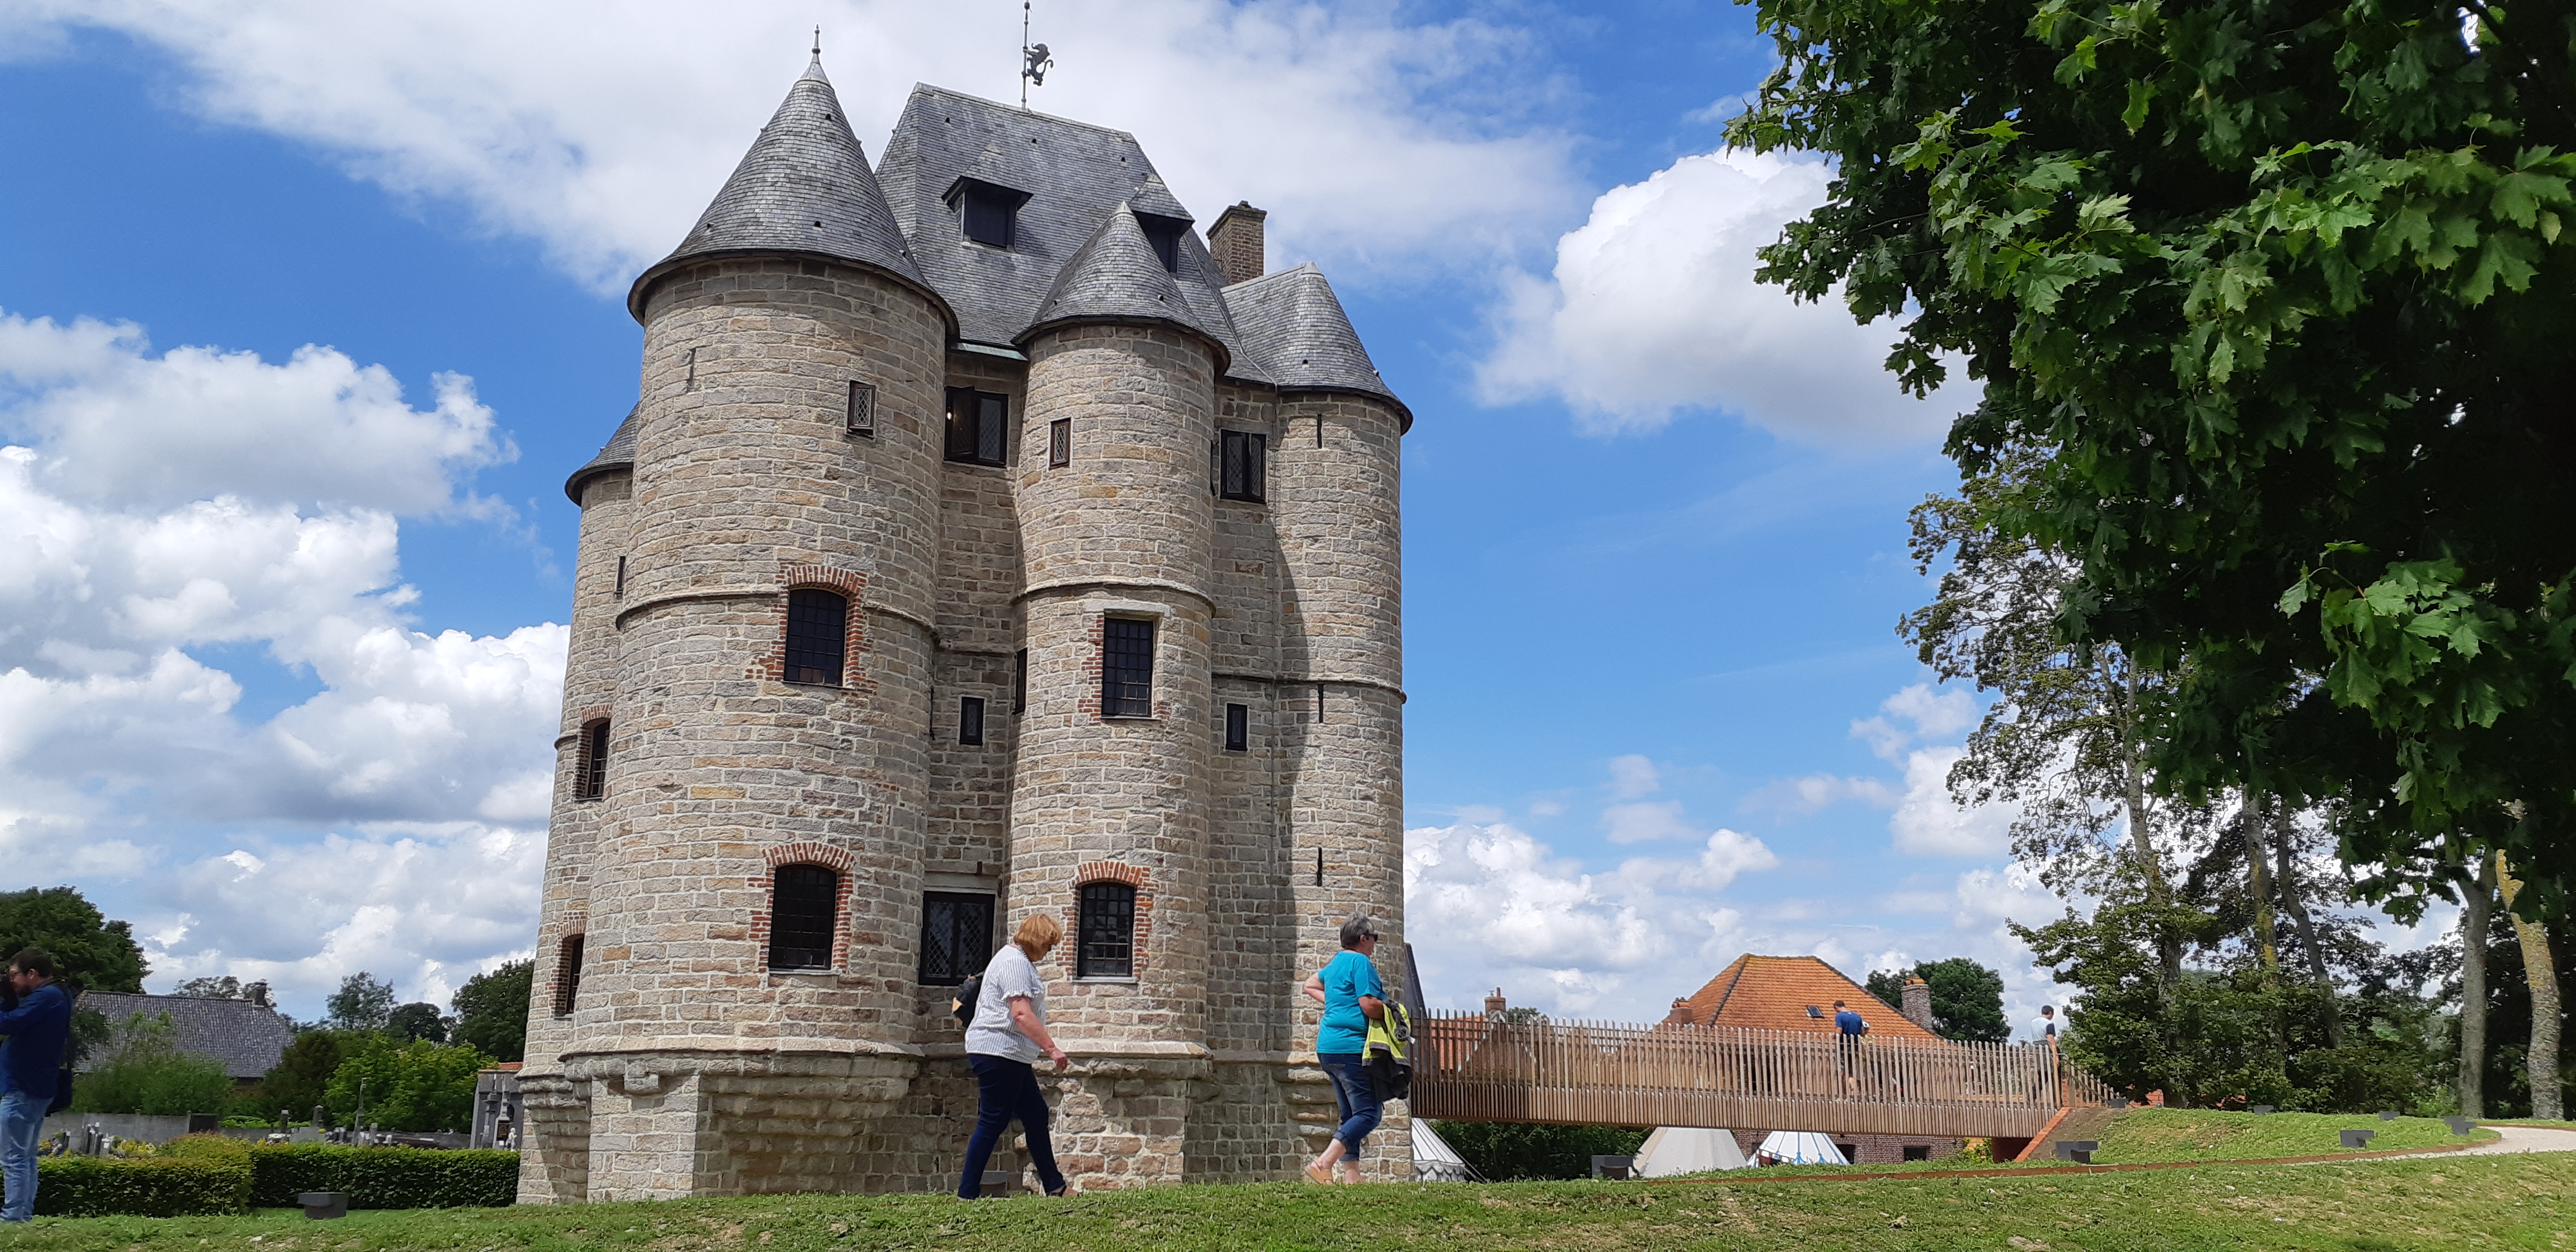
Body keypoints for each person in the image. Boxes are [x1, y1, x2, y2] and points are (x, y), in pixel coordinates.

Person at [958, 914, 1072, 1199]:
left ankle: (1055, 1187)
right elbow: (1021, 1014)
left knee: (1035, 1115)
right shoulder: (1014, 963)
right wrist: (1052, 1049)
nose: (1049, 952)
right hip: (998, 1051)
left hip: (1012, 1055)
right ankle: (967, 1193)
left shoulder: (1020, 962)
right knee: (993, 1120)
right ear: (1036, 940)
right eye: (1048, 945)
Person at [1300, 914, 1386, 1184]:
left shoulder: (1336, 963)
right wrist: (1393, 1011)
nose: (1374, 944)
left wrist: (1335, 1003)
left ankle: (1352, 1176)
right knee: (1369, 1113)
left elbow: (1310, 984)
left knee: (1350, 1114)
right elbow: (1369, 1005)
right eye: (1374, 939)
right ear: (1363, 939)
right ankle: (1322, 1163)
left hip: (1327, 1048)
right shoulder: (1360, 961)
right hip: (1352, 1047)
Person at [0, 950, 70, 1223]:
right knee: (25, 1157)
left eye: (14, 974)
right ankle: (22, 1214)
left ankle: (14, 1217)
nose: (11, 979)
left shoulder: (47, 997)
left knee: (14, 1158)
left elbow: (9, 1024)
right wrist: (9, 997)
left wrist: (6, 1000)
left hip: (23, 1089)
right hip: (33, 1087)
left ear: (32, 974)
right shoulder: (56, 995)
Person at [1831, 998, 1869, 1096]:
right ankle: (1853, 1094)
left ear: (1836, 1007)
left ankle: (1841, 1094)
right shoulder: (1857, 1016)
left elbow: (1839, 1032)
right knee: (1852, 1072)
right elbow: (1862, 1032)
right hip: (1855, 1047)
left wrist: (1834, 1037)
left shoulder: (1839, 1016)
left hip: (1843, 1047)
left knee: (1842, 1070)